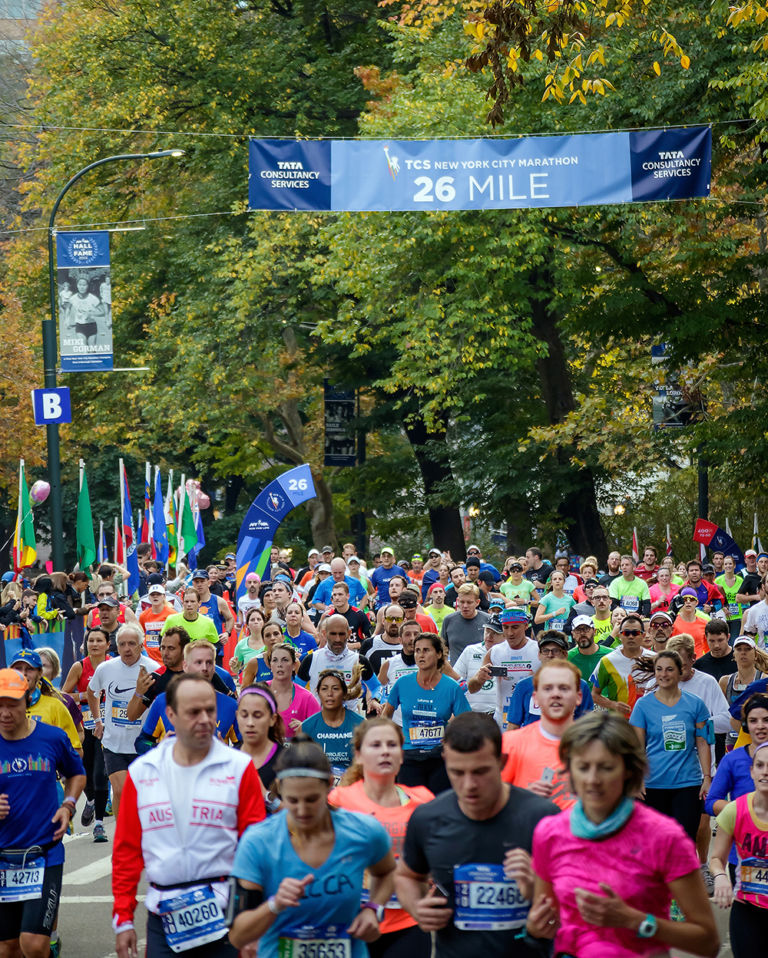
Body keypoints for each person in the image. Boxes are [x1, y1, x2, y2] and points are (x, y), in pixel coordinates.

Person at [527, 711, 718, 957]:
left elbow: (708, 942)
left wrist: (635, 920)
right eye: (583, 767)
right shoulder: (549, 833)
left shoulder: (664, 836)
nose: (593, 779)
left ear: (629, 770)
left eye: (606, 767)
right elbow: (544, 922)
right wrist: (534, 927)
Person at [112, 674, 266, 958]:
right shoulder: (143, 772)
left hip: (227, 913)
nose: (205, 719)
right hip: (164, 916)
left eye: (210, 710)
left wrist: (253, 921)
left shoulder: (239, 767)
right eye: (194, 712)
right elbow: (127, 851)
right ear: (170, 714)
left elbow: (255, 847)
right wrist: (123, 919)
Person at [395, 711, 559, 958]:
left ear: (502, 762)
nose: (469, 784)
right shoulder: (428, 818)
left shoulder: (543, 818)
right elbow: (407, 876)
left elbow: (571, 897)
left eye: (480, 772)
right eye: (457, 772)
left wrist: (536, 888)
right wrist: (418, 908)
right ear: (445, 760)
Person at [229, 734, 396, 957]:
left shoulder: (363, 831)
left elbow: (386, 871)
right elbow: (238, 936)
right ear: (280, 788)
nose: (302, 810)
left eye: (311, 800)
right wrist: (274, 905)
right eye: (292, 800)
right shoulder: (258, 842)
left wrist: (374, 909)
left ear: (329, 785)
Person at [329, 718, 433, 958]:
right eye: (375, 745)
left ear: (402, 754)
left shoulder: (424, 800)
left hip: (407, 922)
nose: (385, 751)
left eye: (392, 745)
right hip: (353, 922)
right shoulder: (338, 800)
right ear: (359, 754)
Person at [0, 668, 86, 958]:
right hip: (3, 858)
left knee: (34, 944)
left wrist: (69, 804)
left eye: (12, 703)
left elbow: (77, 773)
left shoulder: (52, 738)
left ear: (27, 700)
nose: (5, 712)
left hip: (44, 853)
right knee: (7, 948)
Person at [628, 650, 711, 842]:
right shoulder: (643, 706)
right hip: (652, 784)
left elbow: (703, 741)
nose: (663, 674)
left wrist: (707, 777)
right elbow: (636, 748)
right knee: (654, 843)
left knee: (684, 841)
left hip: (688, 784)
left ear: (680, 671)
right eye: (659, 669)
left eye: (669, 670)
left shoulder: (695, 704)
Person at [86, 623, 161, 817]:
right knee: (120, 791)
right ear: (115, 646)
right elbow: (92, 692)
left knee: (141, 795)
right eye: (122, 644)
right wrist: (98, 720)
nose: (127, 649)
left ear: (141, 645)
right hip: (114, 744)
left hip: (143, 743)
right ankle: (122, 838)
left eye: (132, 644)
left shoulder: (154, 670)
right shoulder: (106, 668)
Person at [383, 633, 469, 791]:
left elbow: (466, 723)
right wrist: (393, 740)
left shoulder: (451, 687)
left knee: (438, 806)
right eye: (417, 650)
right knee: (410, 808)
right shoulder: (403, 683)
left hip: (440, 757)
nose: (420, 655)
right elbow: (385, 717)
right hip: (409, 755)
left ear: (438, 654)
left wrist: (450, 740)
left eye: (426, 650)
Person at [710, 741, 768, 953]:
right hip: (747, 909)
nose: (765, 772)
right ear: (751, 772)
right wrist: (720, 877)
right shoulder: (735, 811)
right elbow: (716, 859)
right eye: (760, 766)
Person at [502, 660, 582, 809]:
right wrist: (522, 797)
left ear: (579, 696)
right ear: (535, 697)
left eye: (564, 688)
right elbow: (492, 800)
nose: (556, 694)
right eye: (547, 688)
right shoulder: (509, 744)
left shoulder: (597, 746)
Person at [706, 693, 768, 885]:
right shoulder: (732, 760)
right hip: (742, 855)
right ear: (745, 726)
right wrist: (742, 809)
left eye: (766, 720)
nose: (760, 726)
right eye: (753, 720)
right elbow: (710, 802)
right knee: (748, 910)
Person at [136, 641, 240, 751]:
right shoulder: (164, 701)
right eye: (198, 662)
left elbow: (245, 746)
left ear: (214, 667)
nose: (204, 668)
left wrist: (226, 752)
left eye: (209, 662)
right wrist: (159, 748)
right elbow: (141, 742)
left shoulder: (231, 706)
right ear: (185, 666)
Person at [62, 625, 110, 840]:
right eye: (91, 641)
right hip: (84, 727)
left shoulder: (113, 666)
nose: (95, 644)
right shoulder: (80, 666)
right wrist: (87, 694)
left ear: (108, 645)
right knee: (83, 770)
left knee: (100, 774)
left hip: (107, 728)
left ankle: (99, 824)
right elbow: (65, 695)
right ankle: (90, 799)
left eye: (99, 641)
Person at [469, 607, 540, 729]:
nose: (510, 633)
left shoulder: (539, 650)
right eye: (505, 627)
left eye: (515, 627)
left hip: (532, 718)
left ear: (525, 626)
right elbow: (472, 688)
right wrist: (480, 679)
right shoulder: (495, 652)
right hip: (504, 718)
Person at [506, 632, 593, 729]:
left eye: (555, 651)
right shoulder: (523, 686)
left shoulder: (580, 686)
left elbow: (588, 726)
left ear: (565, 654)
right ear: (539, 654)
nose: (550, 655)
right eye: (545, 651)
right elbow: (513, 726)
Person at [301, 670, 365, 784]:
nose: (329, 693)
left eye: (335, 689)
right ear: (318, 693)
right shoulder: (306, 727)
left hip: (353, 789)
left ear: (344, 693)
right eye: (324, 689)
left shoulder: (361, 725)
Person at [590, 614, 655, 717]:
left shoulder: (655, 659)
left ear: (643, 635)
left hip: (650, 720)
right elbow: (594, 694)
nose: (630, 636)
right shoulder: (607, 661)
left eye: (635, 633)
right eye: (626, 633)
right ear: (619, 636)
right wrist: (613, 705)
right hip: (620, 724)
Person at [452, 615, 504, 714]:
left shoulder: (508, 653)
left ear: (504, 635)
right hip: (471, 713)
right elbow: (455, 680)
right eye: (487, 631)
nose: (489, 636)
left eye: (495, 633)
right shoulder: (470, 650)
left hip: (497, 714)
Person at [269, 643, 321, 738]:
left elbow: (320, 732)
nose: (279, 665)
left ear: (294, 665)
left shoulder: (306, 698)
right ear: (270, 666)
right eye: (275, 660)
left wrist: (305, 728)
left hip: (295, 751)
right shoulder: (259, 692)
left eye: (285, 660)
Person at [242, 620, 286, 686]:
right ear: (263, 641)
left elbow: (302, 689)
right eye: (268, 635)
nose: (272, 638)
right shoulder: (255, 662)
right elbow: (245, 690)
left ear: (282, 637)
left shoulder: (293, 661)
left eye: (276, 634)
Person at [567, 614, 610, 681]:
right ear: (573, 634)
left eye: (586, 629)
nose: (582, 633)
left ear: (594, 631)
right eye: (578, 630)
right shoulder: (567, 658)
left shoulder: (610, 655)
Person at [696, 618, 736, 682]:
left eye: (720, 640)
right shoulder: (699, 665)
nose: (716, 645)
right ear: (706, 639)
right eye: (712, 641)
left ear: (728, 637)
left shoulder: (739, 660)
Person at [229, 608, 267, 674]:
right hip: (249, 683)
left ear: (264, 623)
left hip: (268, 682)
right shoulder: (241, 645)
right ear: (248, 625)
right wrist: (233, 665)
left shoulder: (270, 641)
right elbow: (236, 670)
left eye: (259, 619)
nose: (256, 621)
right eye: (252, 620)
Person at [715, 555, 745, 639]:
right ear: (723, 566)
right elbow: (714, 599)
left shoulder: (740, 580)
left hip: (737, 617)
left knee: (734, 642)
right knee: (723, 641)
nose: (728, 566)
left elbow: (744, 598)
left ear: (734, 565)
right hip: (722, 617)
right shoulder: (718, 581)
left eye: (730, 564)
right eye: (726, 564)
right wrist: (723, 607)